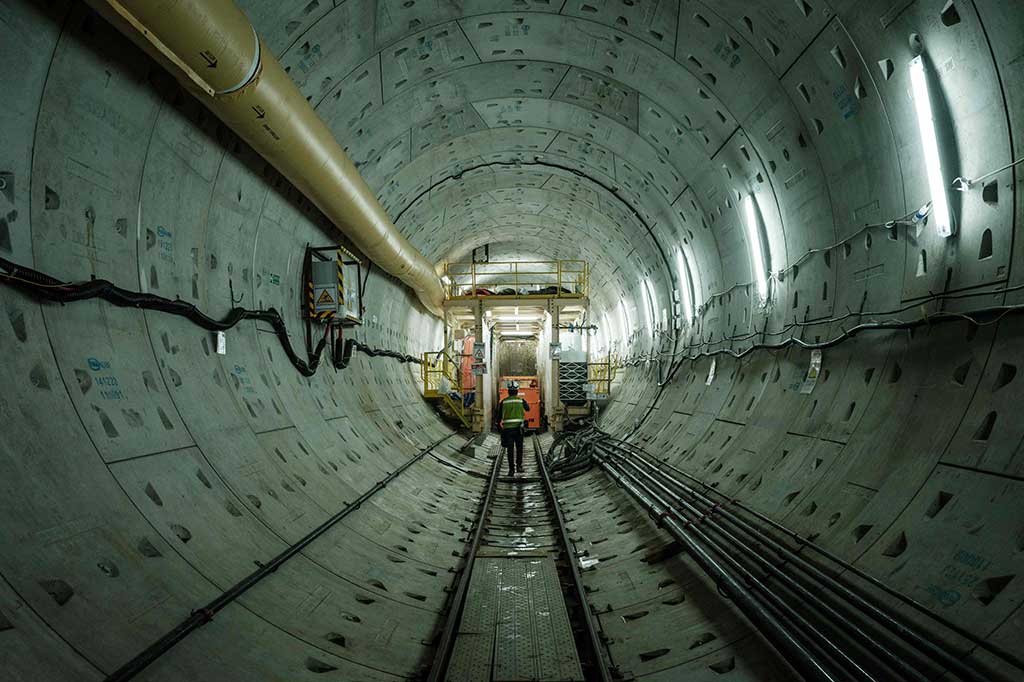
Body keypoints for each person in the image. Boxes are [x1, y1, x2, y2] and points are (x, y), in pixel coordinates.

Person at [495, 380, 530, 476]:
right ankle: (519, 466)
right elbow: (528, 409)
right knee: (519, 448)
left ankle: (511, 470)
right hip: (519, 429)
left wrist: (498, 426)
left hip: (508, 430)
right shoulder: (521, 401)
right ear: (517, 391)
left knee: (510, 450)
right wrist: (524, 402)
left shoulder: (503, 402)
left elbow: (499, 417)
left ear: (508, 391)